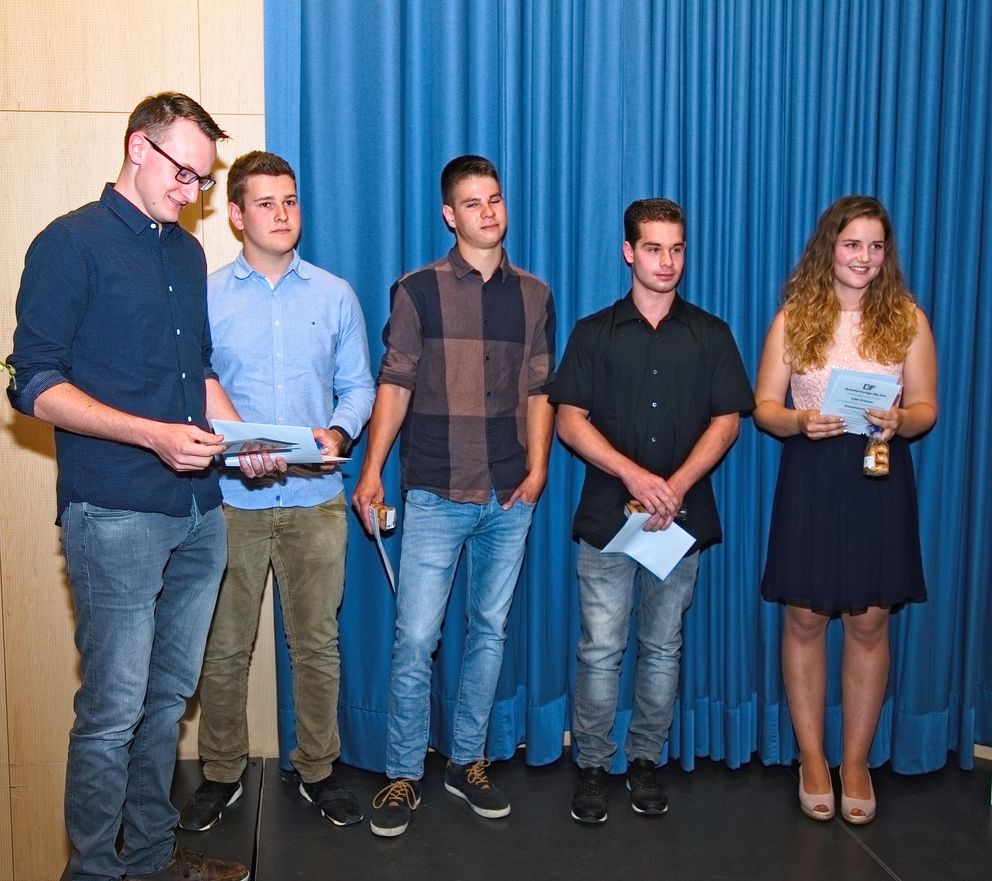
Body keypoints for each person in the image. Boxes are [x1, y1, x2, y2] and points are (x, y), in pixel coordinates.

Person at [6, 93, 282, 881]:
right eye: (183, 173)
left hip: (198, 511)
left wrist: (246, 440)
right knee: (112, 713)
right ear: (138, 147)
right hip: (115, 513)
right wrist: (151, 434)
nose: (193, 192)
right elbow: (33, 384)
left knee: (166, 702)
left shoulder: (185, 253)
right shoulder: (70, 244)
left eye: (203, 179)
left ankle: (154, 858)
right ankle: (96, 871)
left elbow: (199, 371)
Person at [352, 154, 556, 837]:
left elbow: (541, 387)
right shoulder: (416, 291)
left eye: (495, 199)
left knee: (489, 631)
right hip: (437, 488)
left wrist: (538, 469)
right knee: (416, 637)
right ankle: (403, 773)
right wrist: (372, 469)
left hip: (510, 492)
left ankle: (467, 761)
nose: (488, 212)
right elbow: (395, 381)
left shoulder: (535, 295)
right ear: (450, 214)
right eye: (473, 203)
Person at [178, 151, 375, 832]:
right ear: (235, 215)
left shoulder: (334, 294)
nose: (282, 214)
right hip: (230, 501)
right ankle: (221, 774)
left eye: (290, 200)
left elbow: (359, 387)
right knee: (224, 647)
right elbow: (190, 388)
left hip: (316, 499)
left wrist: (337, 431)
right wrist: (234, 444)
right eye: (265, 203)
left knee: (316, 645)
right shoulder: (204, 296)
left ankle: (318, 768)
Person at [551, 198, 753, 825]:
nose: (667, 261)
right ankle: (592, 765)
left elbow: (727, 421)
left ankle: (645, 761)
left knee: (663, 647)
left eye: (677, 248)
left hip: (679, 523)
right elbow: (568, 420)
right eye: (654, 248)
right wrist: (635, 474)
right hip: (609, 518)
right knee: (600, 649)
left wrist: (678, 485)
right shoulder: (593, 332)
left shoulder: (711, 334)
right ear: (628, 252)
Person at [754, 195, 938, 825]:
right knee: (805, 619)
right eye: (852, 244)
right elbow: (764, 408)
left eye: (875, 246)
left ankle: (855, 763)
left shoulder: (907, 319)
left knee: (869, 624)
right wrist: (800, 421)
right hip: (812, 473)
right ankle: (812, 759)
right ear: (828, 248)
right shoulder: (794, 317)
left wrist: (902, 419)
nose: (864, 257)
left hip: (879, 477)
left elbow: (927, 408)